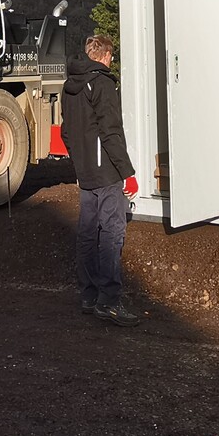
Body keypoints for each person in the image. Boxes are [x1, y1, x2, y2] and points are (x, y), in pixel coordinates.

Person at [61, 34, 141, 327]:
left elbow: (67, 132)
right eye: (112, 56)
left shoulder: (69, 87)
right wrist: (127, 172)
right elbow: (111, 132)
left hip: (85, 172)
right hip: (106, 171)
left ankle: (89, 296)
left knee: (86, 233)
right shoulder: (103, 84)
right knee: (111, 233)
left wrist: (80, 163)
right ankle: (109, 302)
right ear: (105, 55)